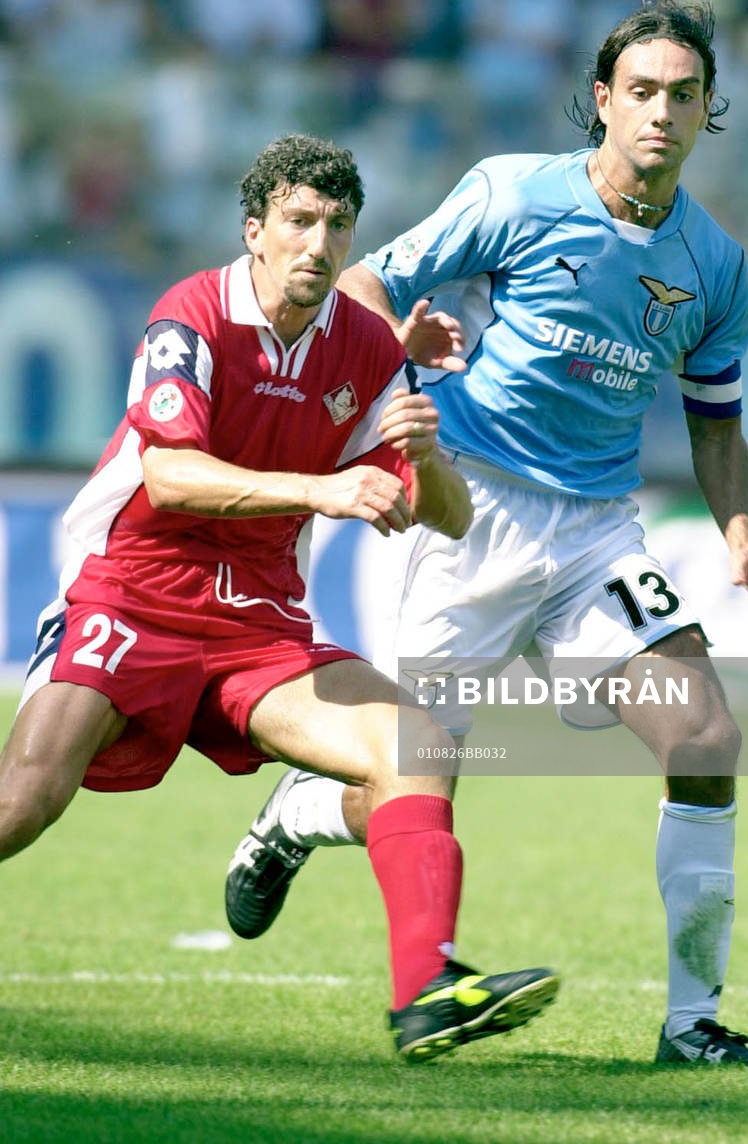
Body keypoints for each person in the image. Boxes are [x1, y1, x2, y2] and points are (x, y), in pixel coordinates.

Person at [226, 1, 748, 1066]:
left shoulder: (715, 265)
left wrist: (742, 534)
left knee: (706, 738)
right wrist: (395, 340)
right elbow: (364, 279)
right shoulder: (514, 191)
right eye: (643, 90)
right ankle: (302, 812)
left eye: (685, 93)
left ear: (708, 109)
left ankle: (691, 1020)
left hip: (597, 538)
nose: (662, 111)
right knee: (418, 777)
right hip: (468, 508)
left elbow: (717, 424)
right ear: (604, 99)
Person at [0, 134, 559, 1064]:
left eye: (338, 226)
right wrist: (321, 491)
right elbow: (171, 476)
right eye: (299, 221)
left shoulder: (369, 347)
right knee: (26, 800)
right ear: (254, 231)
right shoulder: (194, 313)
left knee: (417, 742)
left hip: (257, 626)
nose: (319, 243)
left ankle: (426, 988)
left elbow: (448, 519)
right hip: (130, 599)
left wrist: (423, 453)